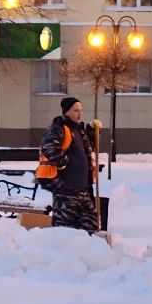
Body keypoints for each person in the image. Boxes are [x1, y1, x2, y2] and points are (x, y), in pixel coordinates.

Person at [40, 96, 99, 233]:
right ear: (66, 112)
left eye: (81, 110)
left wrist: (91, 132)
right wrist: (63, 162)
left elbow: (84, 149)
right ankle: (63, 253)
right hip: (65, 190)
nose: (79, 113)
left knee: (90, 224)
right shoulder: (59, 128)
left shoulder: (78, 130)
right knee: (65, 229)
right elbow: (48, 146)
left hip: (82, 189)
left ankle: (85, 252)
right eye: (75, 110)